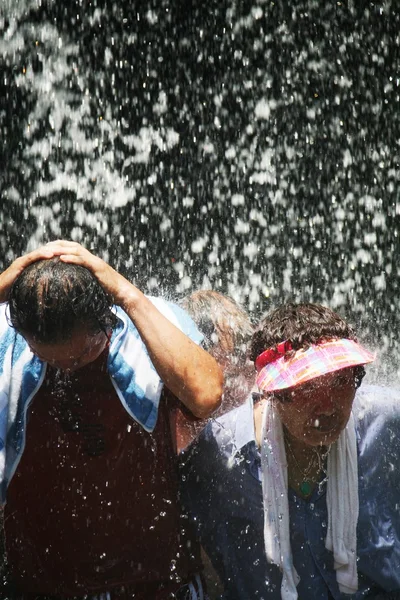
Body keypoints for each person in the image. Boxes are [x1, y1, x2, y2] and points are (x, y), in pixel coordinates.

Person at [0, 240, 223, 600]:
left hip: (158, 585)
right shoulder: (9, 339)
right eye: (48, 359)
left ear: (106, 322)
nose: (64, 369)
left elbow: (207, 393)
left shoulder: (148, 325)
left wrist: (126, 293)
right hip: (41, 588)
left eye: (78, 357)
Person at [180, 302, 400, 599]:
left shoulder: (386, 422)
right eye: (305, 388)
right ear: (271, 393)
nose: (326, 407)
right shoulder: (218, 452)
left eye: (339, 382)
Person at [174, 290, 255, 453]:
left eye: (243, 344)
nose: (248, 365)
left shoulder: (251, 395)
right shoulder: (176, 411)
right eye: (236, 353)